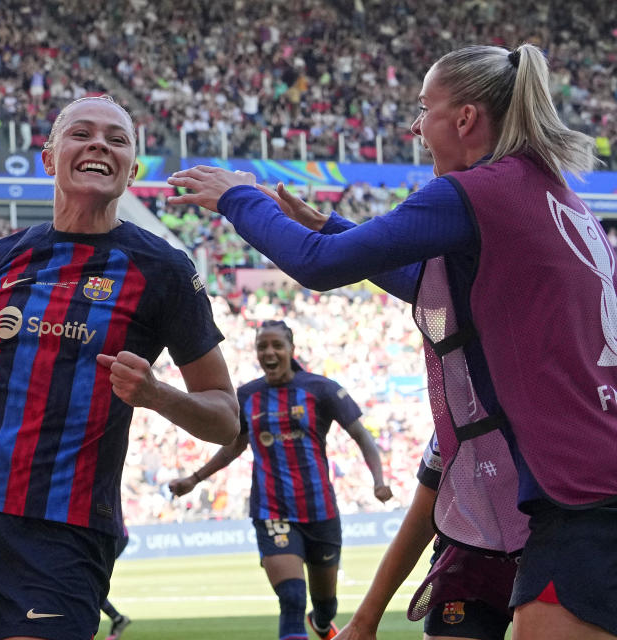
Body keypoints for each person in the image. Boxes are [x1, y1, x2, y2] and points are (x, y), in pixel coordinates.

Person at [167, 43, 616, 639]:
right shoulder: (554, 197)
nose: (414, 126)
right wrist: (330, 223)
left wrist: (236, 196)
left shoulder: (478, 192)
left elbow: (320, 267)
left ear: (464, 119)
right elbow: (440, 291)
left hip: (579, 499)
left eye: (424, 108)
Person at [0, 95, 239, 640]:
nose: (99, 144)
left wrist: (157, 394)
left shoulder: (163, 270)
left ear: (131, 171)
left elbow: (225, 418)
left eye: (117, 139)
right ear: (49, 159)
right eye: (82, 134)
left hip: (64, 531)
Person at [170, 320, 393, 640]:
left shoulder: (321, 389)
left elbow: (361, 435)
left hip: (320, 512)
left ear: (291, 349)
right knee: (291, 599)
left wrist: (378, 480)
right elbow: (234, 446)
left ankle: (320, 622)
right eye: (262, 346)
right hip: (271, 511)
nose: (269, 352)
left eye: (277, 345)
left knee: (325, 604)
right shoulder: (247, 396)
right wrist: (194, 478)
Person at [334, 433, 516, 640]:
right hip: (466, 567)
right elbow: (424, 509)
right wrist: (363, 622)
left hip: (543, 558)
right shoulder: (456, 410)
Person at [101, 530, 131, 640]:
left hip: (111, 532)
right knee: (89, 582)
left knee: (90, 582)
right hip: (113, 532)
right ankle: (117, 618)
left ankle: (117, 618)